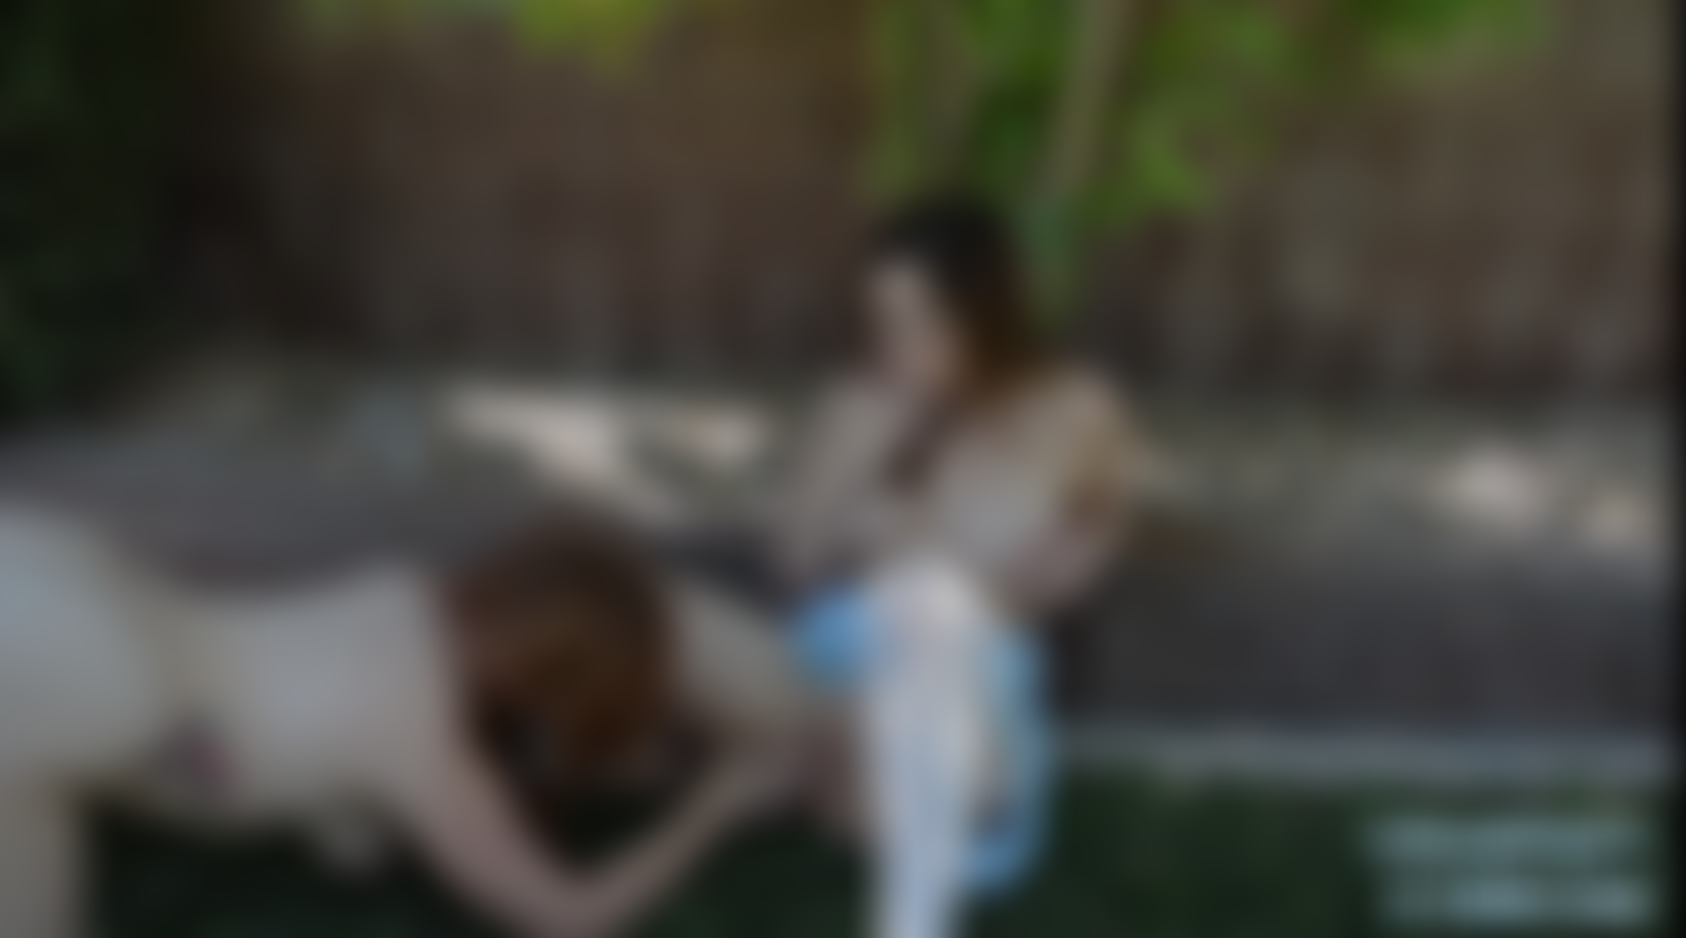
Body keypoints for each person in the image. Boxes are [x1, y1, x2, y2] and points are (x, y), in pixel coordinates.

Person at [0, 505, 792, 938]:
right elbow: (570, 915)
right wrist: (714, 808)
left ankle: (335, 815)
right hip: (75, 678)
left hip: (67, 576)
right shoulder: (428, 751)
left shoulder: (414, 590)